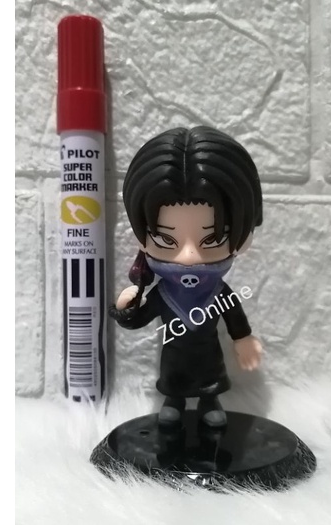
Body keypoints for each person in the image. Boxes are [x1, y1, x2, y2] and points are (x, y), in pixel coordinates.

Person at [111, 126, 263, 428]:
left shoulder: (218, 292)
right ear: (142, 237)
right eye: (166, 240)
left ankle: (209, 400)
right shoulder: (163, 293)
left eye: (213, 239)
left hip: (209, 357)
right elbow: (139, 319)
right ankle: (174, 401)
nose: (189, 256)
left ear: (244, 237)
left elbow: (234, 316)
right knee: (173, 380)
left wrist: (243, 339)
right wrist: (127, 307)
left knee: (210, 377)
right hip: (173, 360)